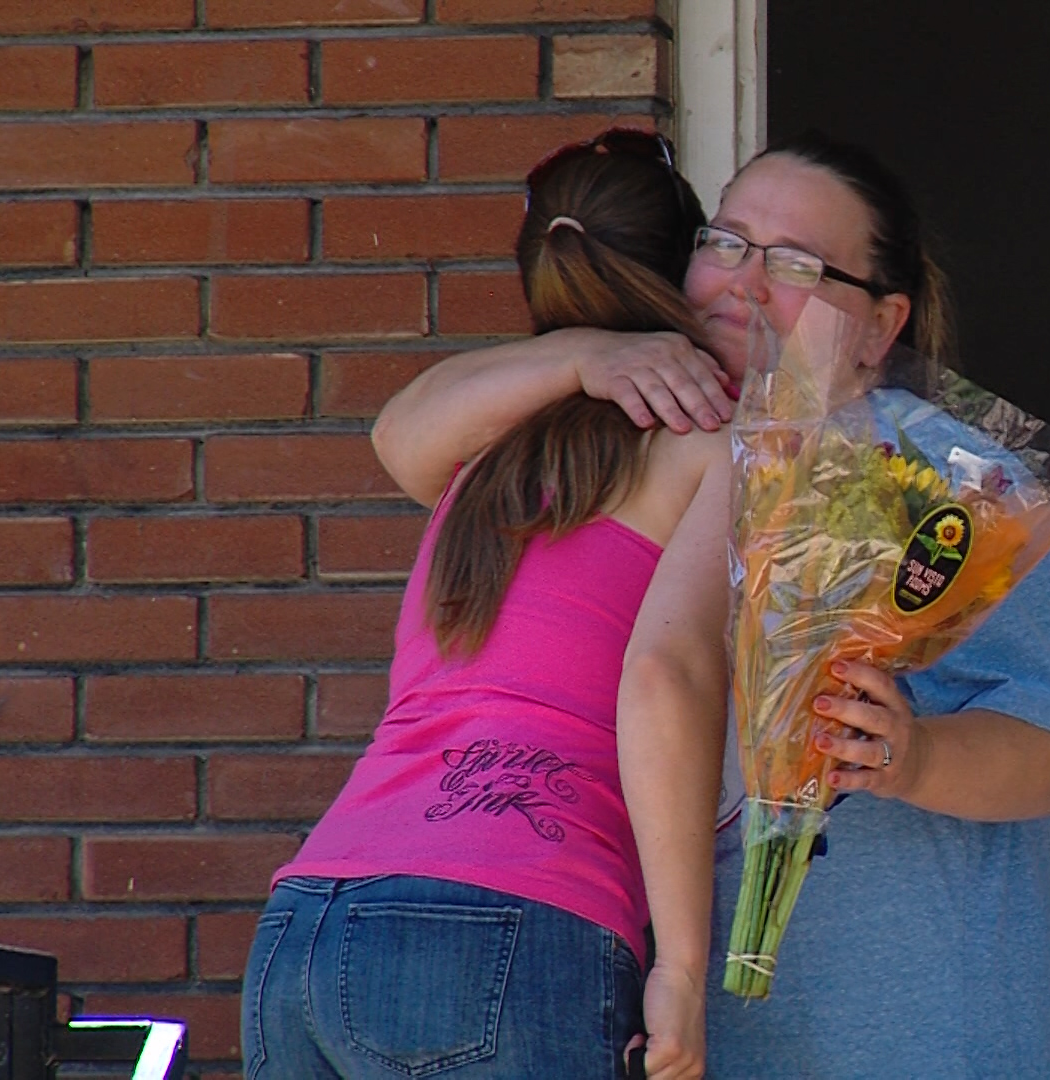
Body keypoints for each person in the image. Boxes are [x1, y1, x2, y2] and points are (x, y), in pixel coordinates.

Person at [375, 130, 1050, 1079]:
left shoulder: (953, 481)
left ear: (881, 324)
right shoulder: (655, 436)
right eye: (725, 243)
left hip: (930, 1042)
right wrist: (584, 353)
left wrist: (916, 758)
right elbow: (408, 441)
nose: (745, 283)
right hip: (704, 1048)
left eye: (798, 264)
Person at [238, 129, 733, 1080]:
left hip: (308, 923)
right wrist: (680, 967)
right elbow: (668, 679)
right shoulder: (710, 433)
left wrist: (579, 354)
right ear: (687, 267)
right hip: (508, 918)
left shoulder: (485, 453)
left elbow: (398, 429)